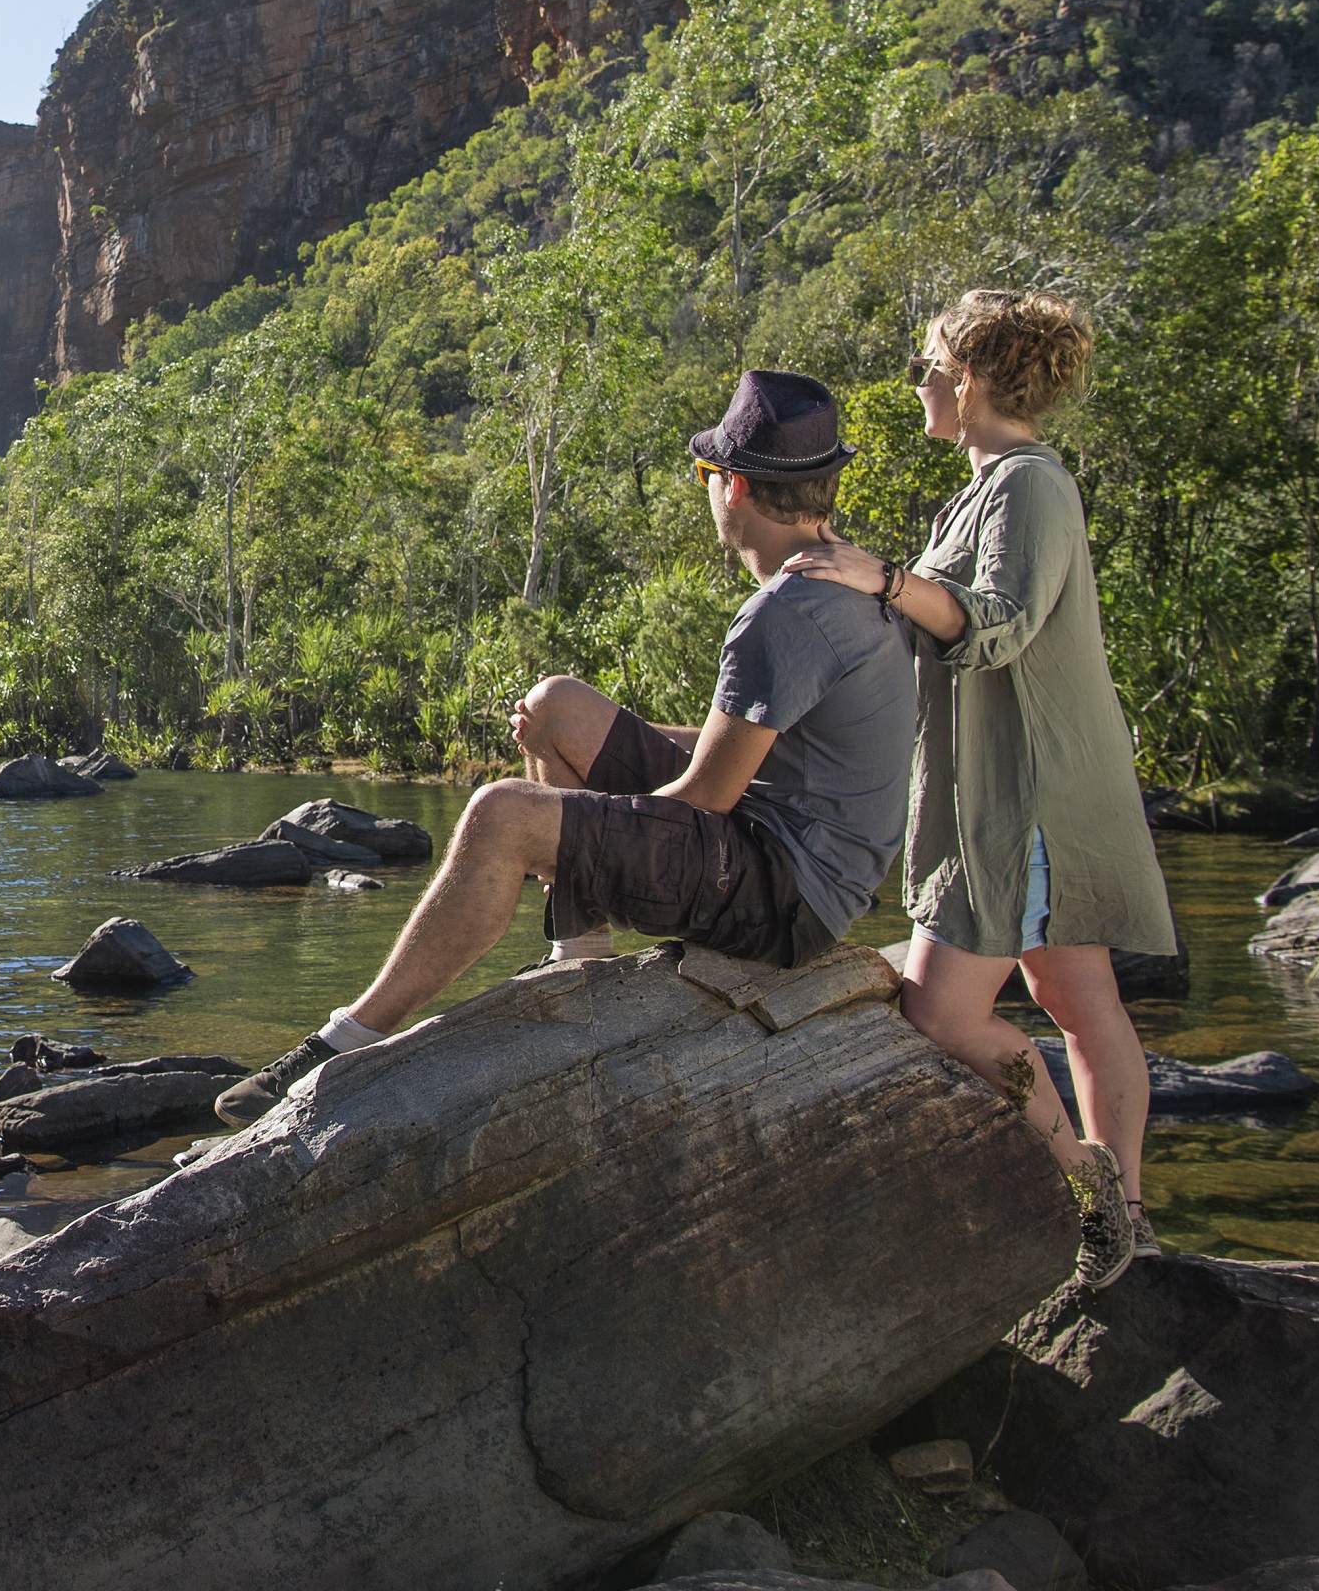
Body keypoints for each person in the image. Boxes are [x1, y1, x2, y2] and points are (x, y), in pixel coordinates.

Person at [215, 369, 915, 1127]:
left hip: (786, 897)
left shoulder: (782, 614)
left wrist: (574, 836)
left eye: (707, 474)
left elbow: (705, 797)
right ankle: (580, 952)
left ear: (735, 487)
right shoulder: (854, 582)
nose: (708, 488)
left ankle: (348, 1039)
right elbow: (761, 754)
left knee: (503, 815)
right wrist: (590, 784)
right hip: (796, 854)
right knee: (555, 707)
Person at [779, 288, 1173, 1289]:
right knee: (1077, 1000)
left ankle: (1087, 1184)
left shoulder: (1028, 485)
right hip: (1018, 788)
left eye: (925, 366)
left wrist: (879, 577)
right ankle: (1127, 1217)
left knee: (944, 1015)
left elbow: (993, 621)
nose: (915, 383)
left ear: (970, 378)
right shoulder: (988, 486)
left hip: (1021, 798)